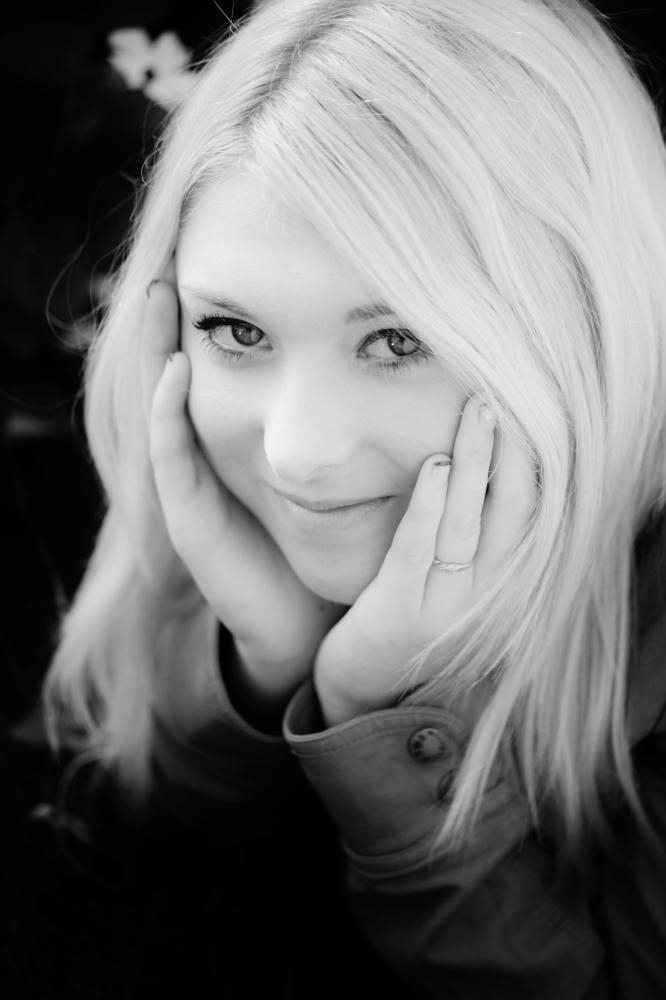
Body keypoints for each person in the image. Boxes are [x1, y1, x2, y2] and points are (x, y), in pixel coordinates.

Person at [41, 0, 666, 996]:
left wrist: (382, 720)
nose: (295, 452)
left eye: (398, 340)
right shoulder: (179, 503)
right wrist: (267, 666)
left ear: (583, 332)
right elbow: (144, 873)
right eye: (237, 332)